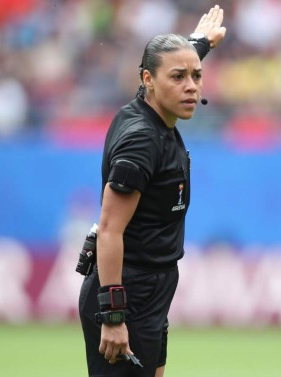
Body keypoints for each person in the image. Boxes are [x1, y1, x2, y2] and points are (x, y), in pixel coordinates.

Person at [78, 5, 227, 377]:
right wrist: (113, 316)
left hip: (154, 287)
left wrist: (199, 43)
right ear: (148, 79)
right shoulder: (142, 141)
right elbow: (110, 229)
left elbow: (174, 64)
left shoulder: (148, 110)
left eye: (197, 76)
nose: (191, 86)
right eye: (178, 77)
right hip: (129, 290)